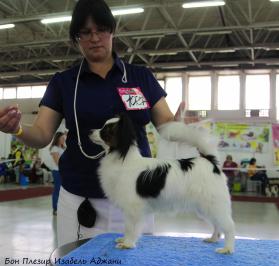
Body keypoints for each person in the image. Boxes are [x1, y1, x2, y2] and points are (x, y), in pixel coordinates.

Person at [0, 0, 176, 246]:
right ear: (76, 38)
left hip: (136, 197)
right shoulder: (63, 83)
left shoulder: (140, 77)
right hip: (80, 201)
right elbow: (41, 134)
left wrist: (184, 127)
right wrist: (16, 129)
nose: (95, 38)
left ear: (112, 31)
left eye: (101, 29)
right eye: (85, 32)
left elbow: (167, 124)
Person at [49, 132, 66, 215]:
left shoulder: (62, 148)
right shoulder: (54, 148)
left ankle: (61, 207)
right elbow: (57, 162)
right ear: (58, 138)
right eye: (62, 138)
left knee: (62, 191)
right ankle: (55, 208)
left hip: (63, 171)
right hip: (57, 171)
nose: (64, 140)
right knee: (57, 189)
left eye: (64, 139)